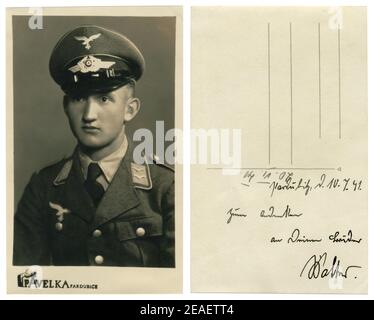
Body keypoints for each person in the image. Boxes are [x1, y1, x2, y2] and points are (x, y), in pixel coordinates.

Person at [13, 25, 175, 267]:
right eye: (79, 98)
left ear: (129, 110)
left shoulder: (166, 186)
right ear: (66, 107)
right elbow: (24, 282)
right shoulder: (43, 188)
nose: (89, 114)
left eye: (104, 98)